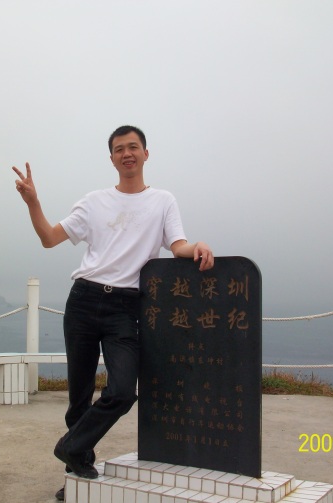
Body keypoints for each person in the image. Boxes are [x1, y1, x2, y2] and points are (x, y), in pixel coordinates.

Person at [13, 125, 214, 501]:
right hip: (84, 300)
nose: (127, 154)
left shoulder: (163, 201)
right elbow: (50, 238)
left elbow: (177, 246)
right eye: (119, 149)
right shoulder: (94, 202)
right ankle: (76, 476)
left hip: (125, 307)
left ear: (146, 154)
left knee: (122, 391)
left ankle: (70, 446)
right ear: (112, 159)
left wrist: (197, 246)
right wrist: (33, 202)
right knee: (79, 396)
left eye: (133, 147)